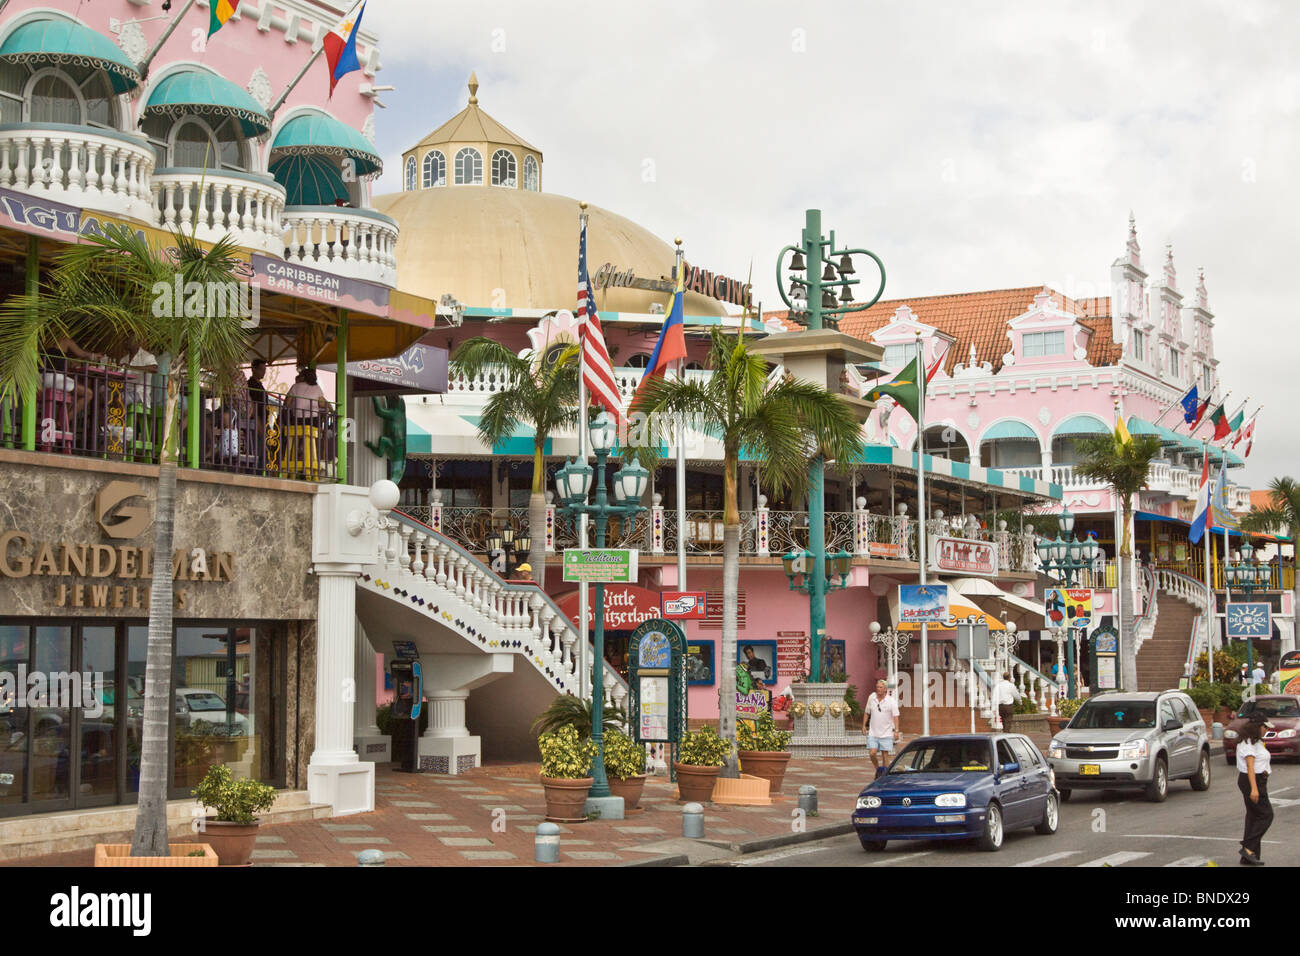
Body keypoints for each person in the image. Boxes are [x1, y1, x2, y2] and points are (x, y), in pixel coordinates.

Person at [1236, 712, 1274, 865]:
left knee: (1253, 817)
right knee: (1266, 815)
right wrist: (1254, 789)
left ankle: (1248, 857)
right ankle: (1248, 848)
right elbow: (1250, 767)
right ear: (1257, 726)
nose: (1266, 729)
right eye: (1265, 726)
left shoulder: (1256, 741)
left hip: (1258, 780)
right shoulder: (1247, 744)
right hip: (1252, 781)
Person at [862, 678, 900, 773]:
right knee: (872, 753)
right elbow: (867, 712)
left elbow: (896, 716)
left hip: (886, 732)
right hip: (873, 732)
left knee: (885, 755)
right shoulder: (872, 698)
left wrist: (896, 731)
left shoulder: (891, 701)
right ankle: (878, 769)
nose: (878, 689)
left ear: (885, 689)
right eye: (877, 687)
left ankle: (885, 774)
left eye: (880, 687)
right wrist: (863, 725)